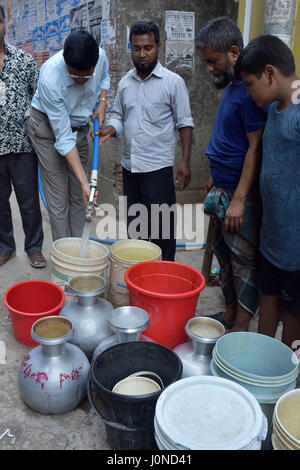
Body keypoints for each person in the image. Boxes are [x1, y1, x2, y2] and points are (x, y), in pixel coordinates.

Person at [196, 17, 268, 332]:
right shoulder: (232, 87)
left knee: (243, 266)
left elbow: (255, 148)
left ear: (234, 52)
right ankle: (229, 313)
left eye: (213, 61)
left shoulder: (249, 91)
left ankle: (240, 326)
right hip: (223, 187)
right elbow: (231, 138)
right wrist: (216, 175)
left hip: (239, 197)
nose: (208, 68)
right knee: (222, 257)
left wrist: (238, 199)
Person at [99, 21, 193, 261]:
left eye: (148, 48)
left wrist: (184, 161)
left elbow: (185, 123)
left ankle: (164, 276)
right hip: (131, 168)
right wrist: (111, 128)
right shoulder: (125, 83)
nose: (142, 54)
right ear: (130, 47)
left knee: (161, 232)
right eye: (137, 48)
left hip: (158, 170)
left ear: (158, 47)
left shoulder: (173, 82)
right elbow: (119, 115)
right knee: (137, 230)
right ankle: (141, 276)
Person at [236, 35, 300, 349]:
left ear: (270, 73)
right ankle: (263, 360)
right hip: (273, 238)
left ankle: (285, 375)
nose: (249, 93)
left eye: (250, 84)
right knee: (269, 298)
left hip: (296, 248)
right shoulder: (275, 107)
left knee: (293, 313)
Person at [26, 30, 110, 241]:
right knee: (59, 196)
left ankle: (79, 246)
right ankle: (64, 256)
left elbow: (105, 78)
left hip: (79, 126)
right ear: (64, 62)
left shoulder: (100, 57)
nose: (81, 80)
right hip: (46, 128)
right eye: (75, 75)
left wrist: (102, 102)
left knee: (79, 197)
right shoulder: (49, 77)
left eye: (86, 75)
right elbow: (62, 137)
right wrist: (85, 182)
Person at [0, 4, 46, 268]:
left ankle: (34, 248)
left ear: (5, 23)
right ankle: (5, 247)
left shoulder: (24, 61)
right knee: (0, 205)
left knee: (28, 203)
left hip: (23, 146)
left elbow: (39, 98)